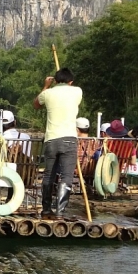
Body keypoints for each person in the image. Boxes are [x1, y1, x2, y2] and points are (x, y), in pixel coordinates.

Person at [33, 67, 83, 217]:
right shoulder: (77, 91)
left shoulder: (47, 94)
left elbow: (36, 104)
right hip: (69, 139)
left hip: (51, 140)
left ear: (55, 80)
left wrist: (46, 86)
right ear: (71, 81)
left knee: (48, 175)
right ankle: (60, 212)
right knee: (66, 177)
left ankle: (46, 209)